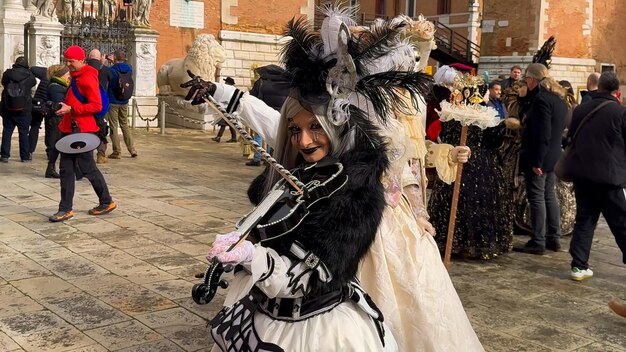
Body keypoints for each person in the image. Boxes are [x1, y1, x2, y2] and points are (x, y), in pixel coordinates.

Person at [180, 8, 459, 351]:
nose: (305, 140)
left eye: (316, 128)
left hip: (370, 236)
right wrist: (219, 92)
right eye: (299, 130)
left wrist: (418, 212)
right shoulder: (313, 143)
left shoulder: (370, 151)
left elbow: (408, 168)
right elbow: (275, 123)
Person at [563, 71, 626, 280]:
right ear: (616, 91)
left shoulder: (580, 109)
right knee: (620, 222)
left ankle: (579, 266)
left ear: (598, 87)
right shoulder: (620, 112)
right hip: (609, 176)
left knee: (585, 219)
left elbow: (570, 136)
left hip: (582, 174)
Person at [49, 45, 116, 222]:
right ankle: (66, 208)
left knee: (87, 168)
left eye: (71, 61)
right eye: (66, 60)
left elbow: (96, 106)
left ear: (81, 60)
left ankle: (105, 201)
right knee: (67, 169)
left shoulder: (87, 78)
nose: (68, 64)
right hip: (70, 128)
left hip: (82, 130)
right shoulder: (76, 77)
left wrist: (71, 109)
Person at [513, 63, 568, 255]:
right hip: (553, 156)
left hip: (540, 156)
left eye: (527, 78)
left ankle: (538, 240)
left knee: (536, 197)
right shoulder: (559, 100)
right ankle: (554, 237)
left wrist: (537, 161)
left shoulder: (542, 100)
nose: (525, 81)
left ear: (534, 79)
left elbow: (541, 134)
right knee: (549, 196)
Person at [246, 64, 290, 167]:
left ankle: (257, 159)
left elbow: (253, 96)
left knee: (258, 135)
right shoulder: (285, 83)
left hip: (263, 112)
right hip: (279, 113)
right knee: (272, 134)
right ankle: (270, 159)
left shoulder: (261, 82)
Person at [0, 56, 37, 163]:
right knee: (24, 133)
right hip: (24, 108)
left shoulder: (7, 74)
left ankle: (5, 155)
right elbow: (33, 83)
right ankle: (24, 156)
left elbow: (3, 83)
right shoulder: (29, 75)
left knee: (7, 132)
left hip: (8, 107)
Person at [107, 50, 137, 159]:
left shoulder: (112, 70)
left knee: (113, 126)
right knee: (125, 124)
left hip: (113, 100)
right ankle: (132, 149)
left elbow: (111, 84)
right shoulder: (129, 68)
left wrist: (112, 63)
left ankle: (117, 151)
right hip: (124, 100)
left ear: (114, 58)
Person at [44, 65, 70, 178]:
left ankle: (52, 168)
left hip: (57, 118)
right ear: (61, 75)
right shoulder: (56, 87)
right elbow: (60, 103)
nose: (69, 75)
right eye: (67, 73)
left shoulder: (60, 85)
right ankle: (51, 169)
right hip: (56, 119)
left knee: (57, 144)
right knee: (54, 144)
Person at [87, 49, 113, 164]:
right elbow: (113, 83)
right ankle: (101, 155)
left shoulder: (84, 69)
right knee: (102, 129)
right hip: (102, 104)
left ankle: (86, 153)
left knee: (87, 129)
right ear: (100, 57)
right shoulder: (106, 70)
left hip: (86, 104)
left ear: (88, 57)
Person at [28, 65, 51, 158]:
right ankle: (50, 152)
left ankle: (29, 150)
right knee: (50, 129)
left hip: (37, 103)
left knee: (35, 127)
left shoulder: (46, 73)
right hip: (49, 105)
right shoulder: (58, 79)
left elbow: (33, 69)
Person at [211, 77, 237, 143]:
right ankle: (233, 138)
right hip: (228, 109)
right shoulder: (229, 90)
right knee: (230, 124)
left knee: (223, 123)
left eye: (226, 82)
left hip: (229, 109)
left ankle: (219, 137)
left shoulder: (231, 91)